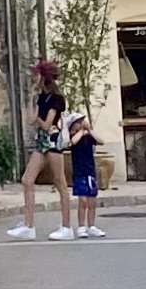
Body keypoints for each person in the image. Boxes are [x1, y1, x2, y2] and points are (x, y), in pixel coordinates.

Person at [10, 60, 68, 238]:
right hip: (41, 141)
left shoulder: (56, 99)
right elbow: (30, 119)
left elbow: (46, 124)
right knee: (27, 180)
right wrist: (32, 98)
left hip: (53, 140)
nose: (34, 78)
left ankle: (66, 226)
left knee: (59, 181)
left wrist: (38, 119)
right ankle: (28, 225)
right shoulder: (41, 97)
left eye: (36, 75)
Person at [66, 98, 102, 235]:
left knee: (92, 200)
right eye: (78, 122)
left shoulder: (88, 137)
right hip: (79, 172)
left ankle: (92, 226)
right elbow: (73, 142)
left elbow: (101, 141)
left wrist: (89, 130)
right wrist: (81, 131)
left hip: (90, 171)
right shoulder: (74, 137)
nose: (81, 123)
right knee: (83, 201)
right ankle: (81, 226)